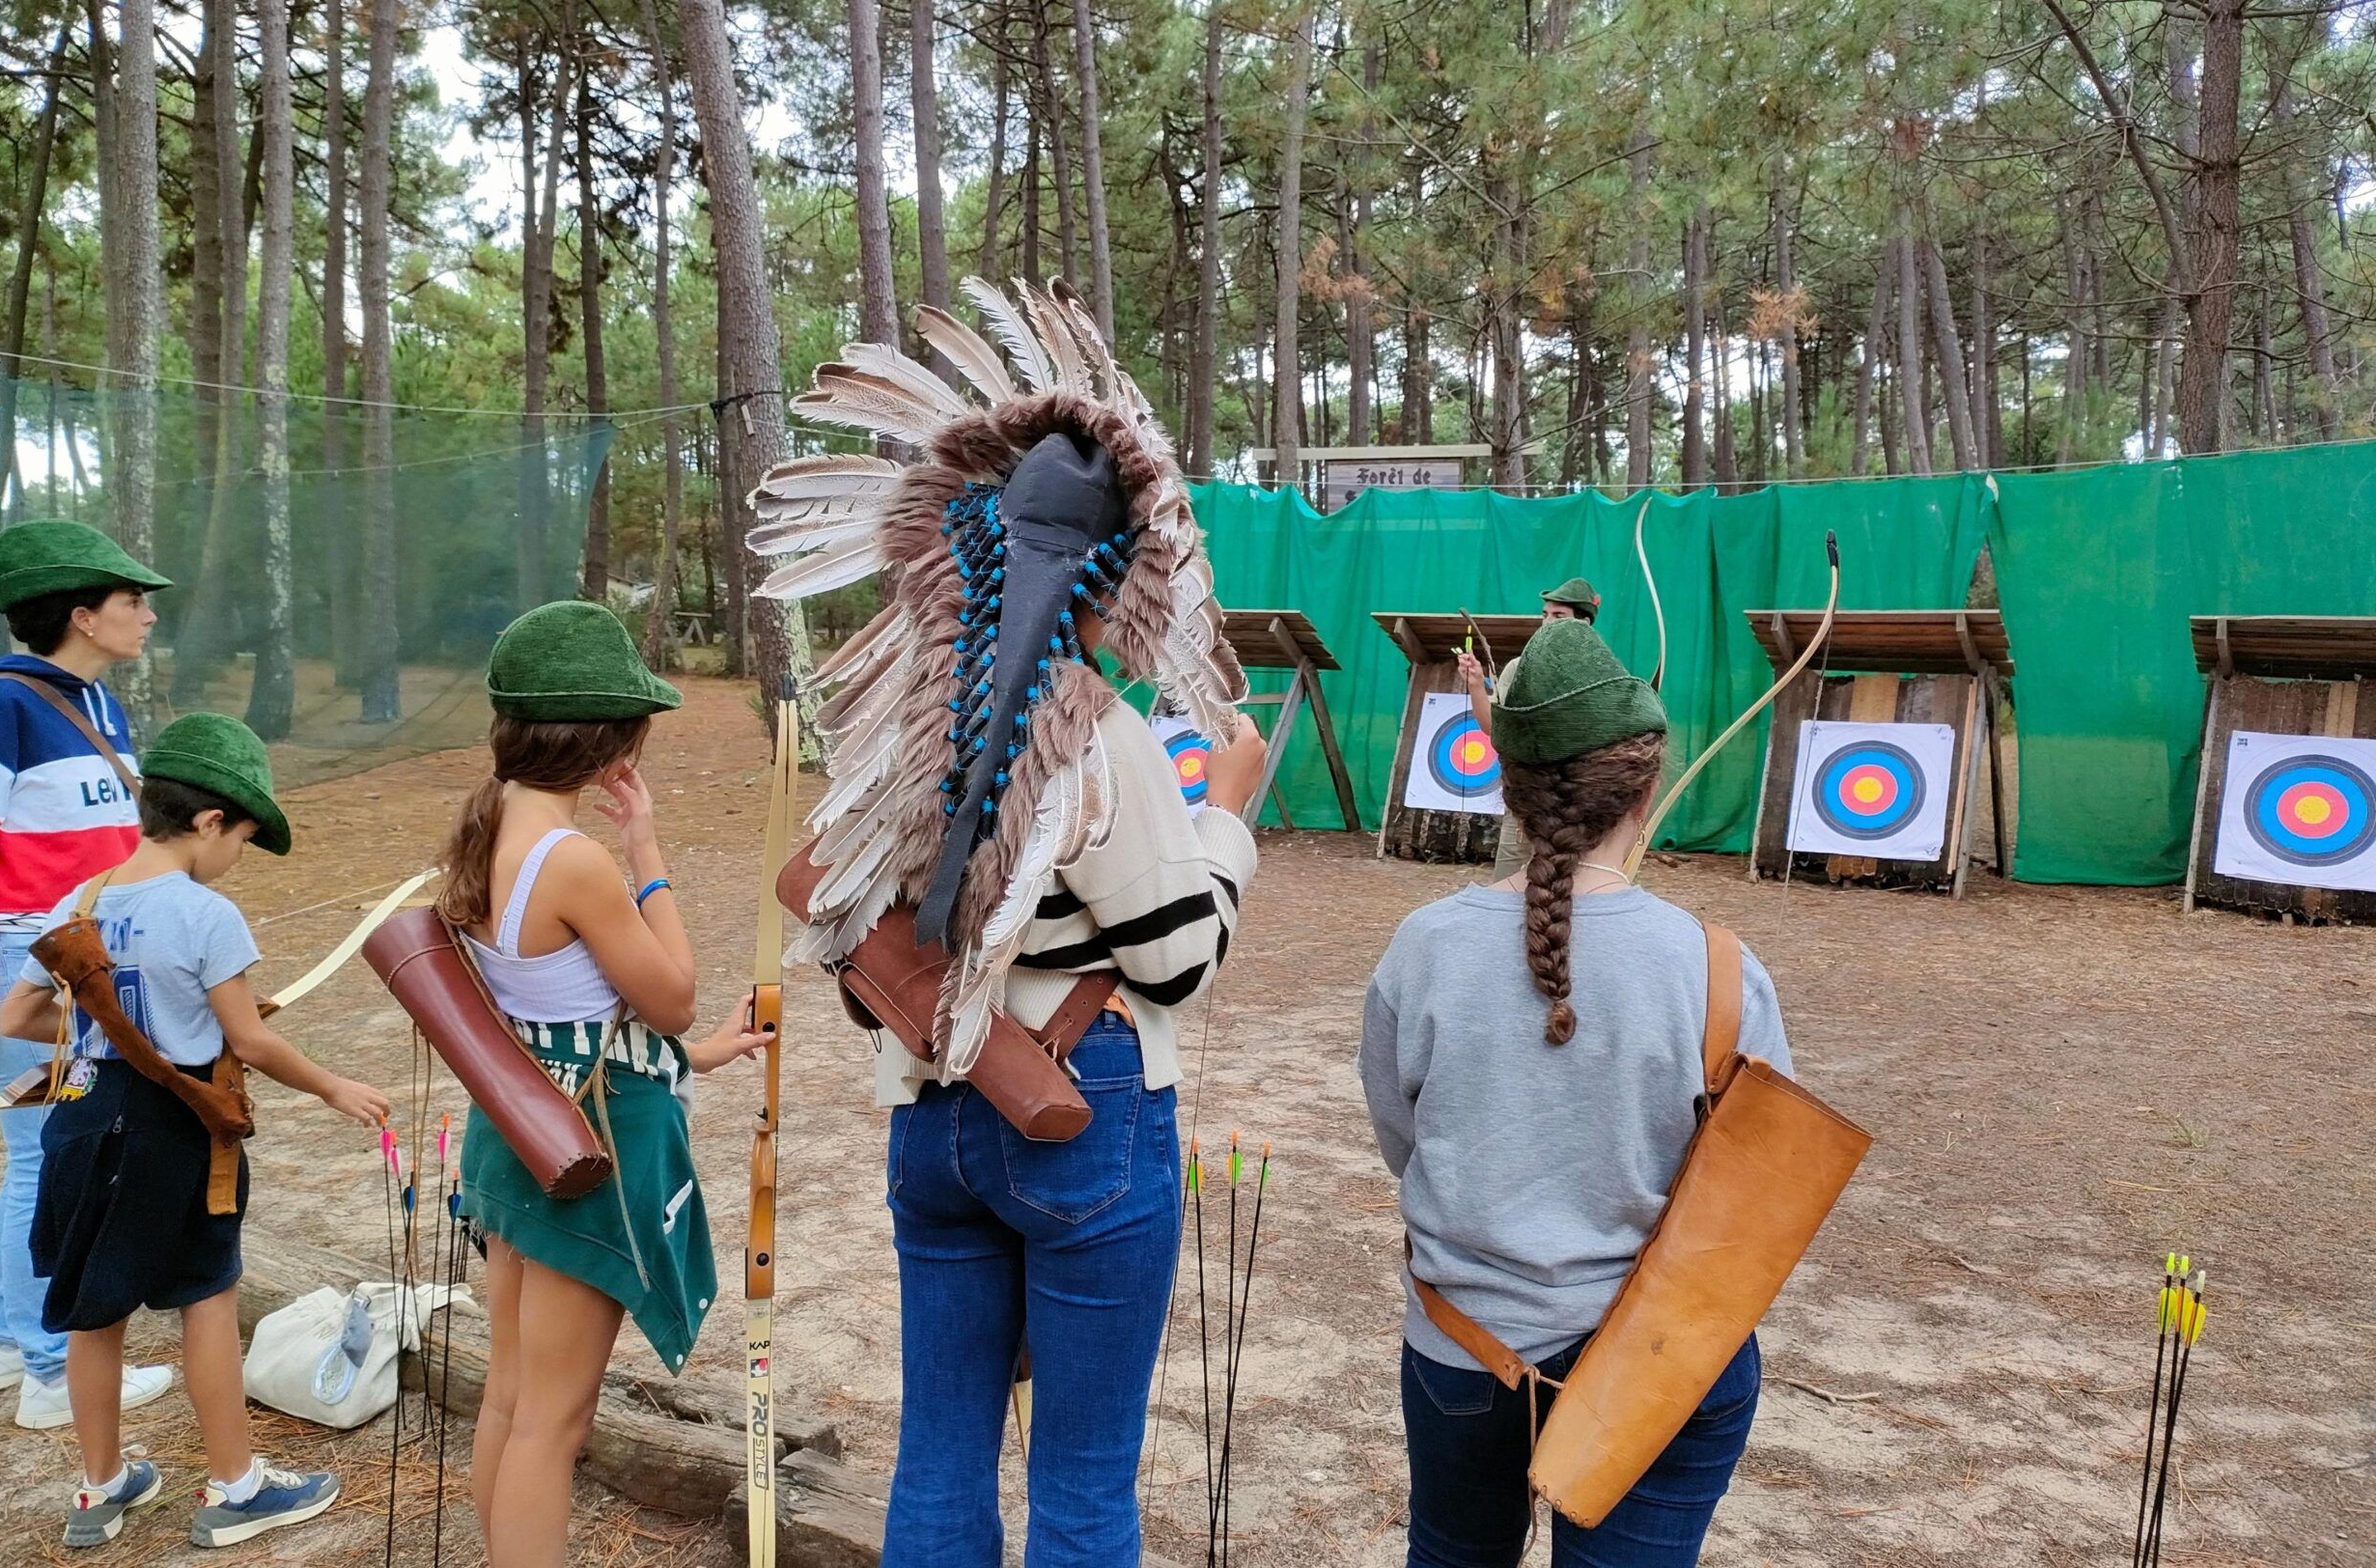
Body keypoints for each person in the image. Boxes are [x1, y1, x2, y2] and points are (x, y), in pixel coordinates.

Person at [746, 285, 1265, 1567]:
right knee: (1084, 1488)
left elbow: (854, 905)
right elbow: (1177, 963)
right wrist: (1230, 821)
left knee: (940, 1459)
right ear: (1132, 572)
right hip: (1082, 1117)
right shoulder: (1108, 733)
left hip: (934, 1115)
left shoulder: (894, 727)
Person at [1359, 618, 1794, 1568]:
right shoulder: (1714, 967)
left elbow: (1404, 1138)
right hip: (1656, 1362)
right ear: (1646, 789)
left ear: (1507, 787)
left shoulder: (1423, 946)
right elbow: (1760, 1185)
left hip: (1463, 1351)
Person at [0, 713, 392, 1548]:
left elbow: (20, 1013)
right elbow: (246, 1041)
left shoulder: (85, 900)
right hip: (176, 1132)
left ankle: (100, 1491)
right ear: (210, 822)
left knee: (94, 1314)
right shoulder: (206, 914)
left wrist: (106, 1032)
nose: (236, 855)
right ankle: (238, 1489)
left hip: (80, 1123)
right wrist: (333, 1087)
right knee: (208, 1300)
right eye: (242, 837)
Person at [442, 602, 769, 1568]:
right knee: (553, 1418)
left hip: (517, 1129)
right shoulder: (576, 860)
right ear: (606, 743)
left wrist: (700, 1055)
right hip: (585, 1153)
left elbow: (561, 1010)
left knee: (509, 1395)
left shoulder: (485, 825)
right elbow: (667, 994)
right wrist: (648, 855)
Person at [0, 518, 179, 1430]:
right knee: (52, 1154)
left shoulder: (99, 705)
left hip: (80, 964)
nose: (147, 617)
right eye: (131, 602)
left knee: (37, 1152)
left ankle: (2, 1336)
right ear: (81, 615)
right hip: (19, 971)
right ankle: (49, 1369)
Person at [1457, 577, 1602, 881]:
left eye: (1558, 616)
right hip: (1526, 796)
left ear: (1583, 624)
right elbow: (1492, 729)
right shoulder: (1518, 668)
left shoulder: (1601, 672)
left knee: (1571, 890)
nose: (1547, 622)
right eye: (1544, 614)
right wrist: (1475, 684)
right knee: (1508, 884)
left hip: (1577, 799)